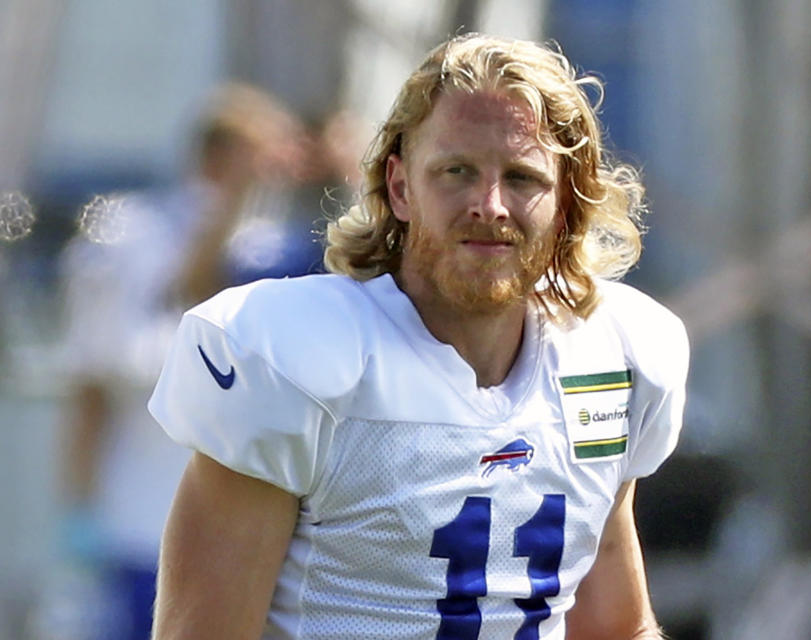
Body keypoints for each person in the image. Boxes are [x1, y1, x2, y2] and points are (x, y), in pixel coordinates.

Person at [148, 33, 689, 640]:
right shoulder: (297, 359)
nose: (490, 205)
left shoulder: (612, 355)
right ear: (400, 187)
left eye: (522, 177)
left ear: (567, 199)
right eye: (457, 171)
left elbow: (617, 627)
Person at [51, 83, 305, 640]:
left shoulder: (278, 246)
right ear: (217, 156)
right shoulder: (130, 235)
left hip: (242, 535)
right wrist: (79, 509)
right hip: (140, 520)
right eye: (260, 158)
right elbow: (98, 381)